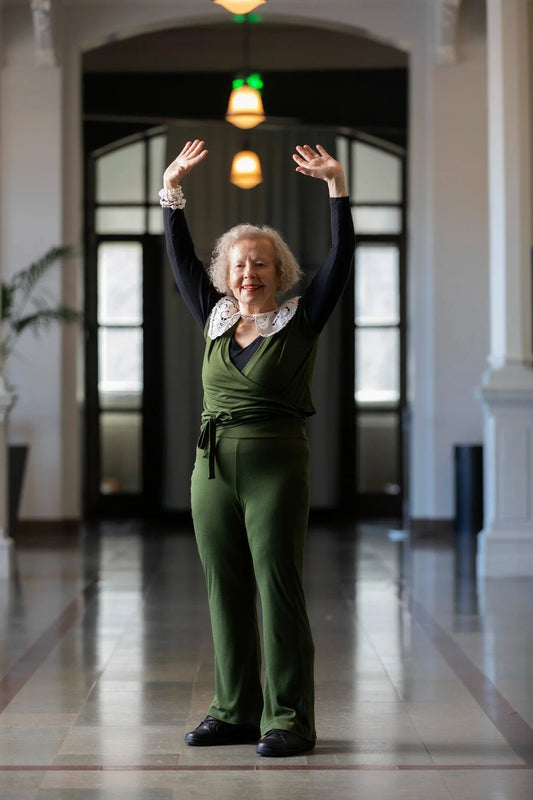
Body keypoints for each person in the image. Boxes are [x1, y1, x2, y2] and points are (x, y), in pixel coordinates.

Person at [161, 139, 355, 758]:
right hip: (211, 468)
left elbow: (342, 258)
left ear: (280, 272)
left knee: (278, 587)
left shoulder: (302, 318)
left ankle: (290, 719)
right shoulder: (215, 317)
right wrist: (172, 192)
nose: (249, 274)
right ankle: (235, 711)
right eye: (239, 265)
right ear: (227, 274)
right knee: (226, 588)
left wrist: (336, 187)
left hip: (276, 465)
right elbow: (180, 260)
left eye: (261, 265)